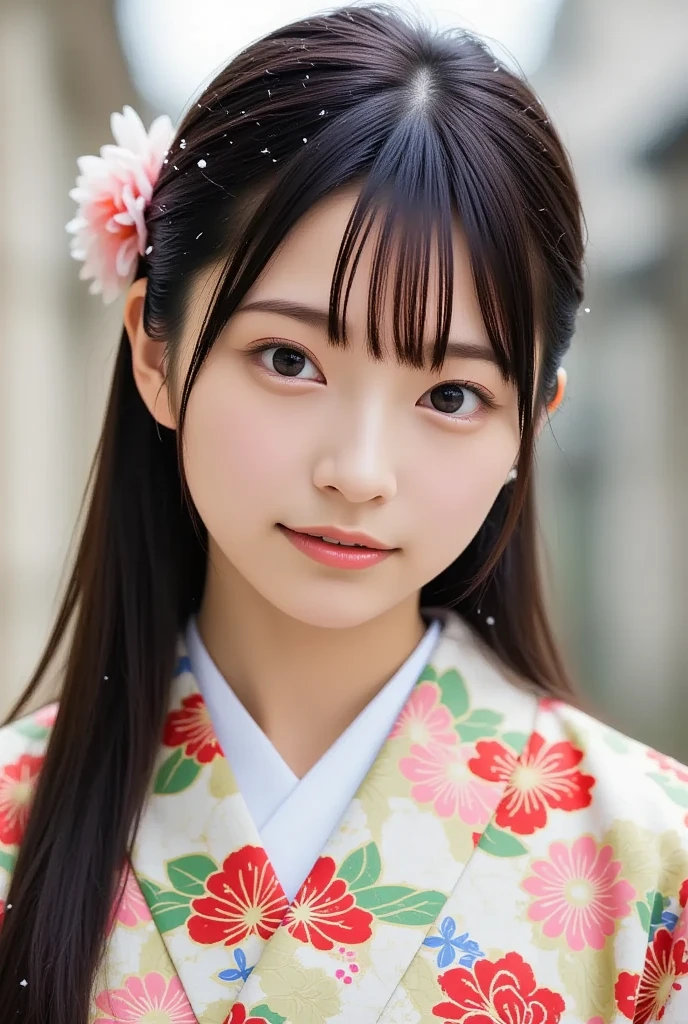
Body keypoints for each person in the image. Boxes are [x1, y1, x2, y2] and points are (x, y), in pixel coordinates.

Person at [0, 4, 686, 1022]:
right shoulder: (17, 826)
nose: (359, 472)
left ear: (529, 425)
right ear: (156, 349)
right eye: (289, 360)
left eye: (450, 395)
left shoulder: (655, 862)